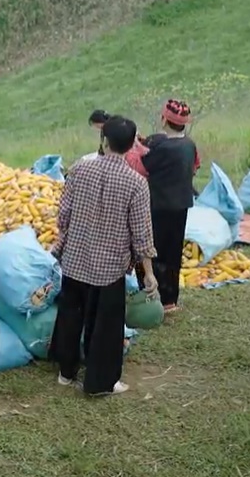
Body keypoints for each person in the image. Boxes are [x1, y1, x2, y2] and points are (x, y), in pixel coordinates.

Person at [49, 115, 158, 396]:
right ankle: (100, 382)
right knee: (106, 327)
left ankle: (66, 372)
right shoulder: (135, 183)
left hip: (74, 261)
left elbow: (64, 218)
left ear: (103, 140)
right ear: (133, 145)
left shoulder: (79, 170)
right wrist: (149, 274)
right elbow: (142, 234)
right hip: (108, 269)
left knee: (70, 317)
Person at [140, 99, 199, 314]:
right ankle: (171, 300)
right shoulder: (189, 144)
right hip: (181, 205)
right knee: (173, 252)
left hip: (158, 206)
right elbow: (194, 167)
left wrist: (138, 146)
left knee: (154, 252)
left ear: (164, 119)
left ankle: (153, 299)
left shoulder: (163, 147)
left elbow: (142, 167)